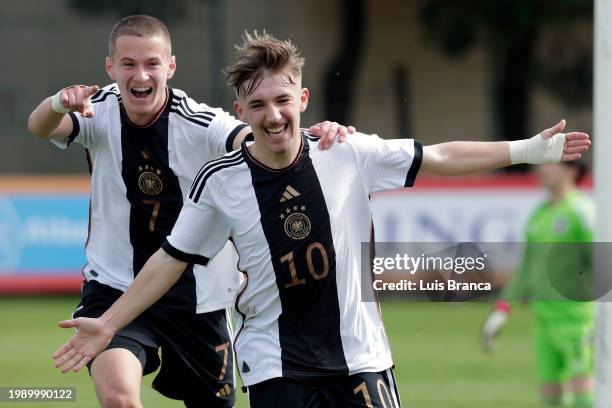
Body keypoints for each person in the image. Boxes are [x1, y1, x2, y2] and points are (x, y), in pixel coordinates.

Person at [51, 31, 590, 408]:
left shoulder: (348, 152)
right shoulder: (221, 181)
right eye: (257, 105)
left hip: (360, 359)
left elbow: (441, 156)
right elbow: (170, 261)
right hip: (274, 366)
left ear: (302, 99)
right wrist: (111, 321)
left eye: (282, 100)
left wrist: (530, 150)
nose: (273, 114)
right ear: (240, 111)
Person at [27, 16, 352, 408]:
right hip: (116, 287)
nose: (140, 74)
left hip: (200, 299)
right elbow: (42, 127)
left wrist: (315, 135)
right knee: (119, 399)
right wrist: (58, 102)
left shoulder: (198, 121)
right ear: (111, 68)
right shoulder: (100, 110)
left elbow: (253, 137)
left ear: (171, 67)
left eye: (151, 63)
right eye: (128, 64)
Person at [481, 161, 594, 407]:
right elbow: (527, 267)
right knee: (550, 390)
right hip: (544, 318)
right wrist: (502, 309)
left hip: (577, 319)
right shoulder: (539, 214)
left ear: (571, 171)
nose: (541, 170)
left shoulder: (582, 211)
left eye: (551, 165)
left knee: (583, 389)